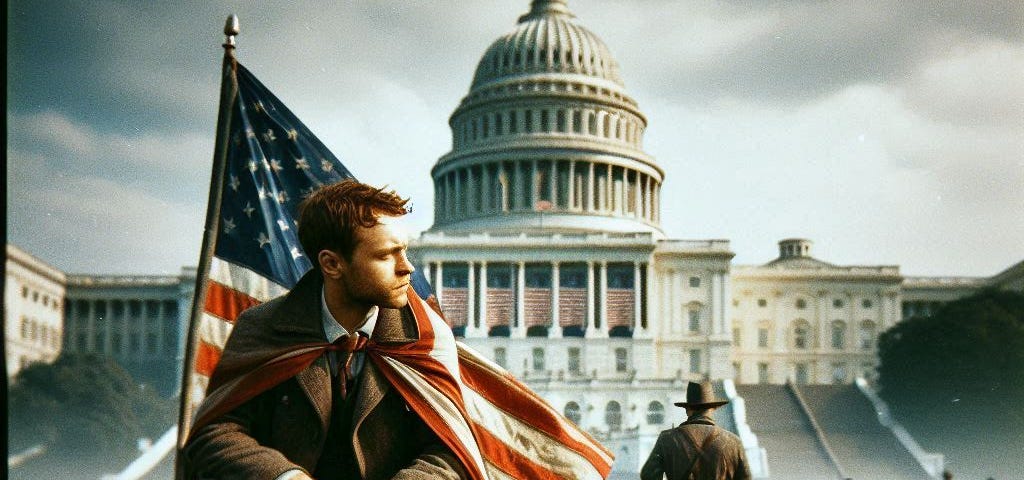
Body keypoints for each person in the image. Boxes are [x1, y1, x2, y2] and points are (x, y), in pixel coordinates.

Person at [184, 180, 467, 480]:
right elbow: (214, 433)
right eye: (386, 255)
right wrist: (284, 476)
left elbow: (451, 450)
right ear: (332, 264)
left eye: (405, 251)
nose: (407, 267)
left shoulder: (425, 336)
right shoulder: (263, 326)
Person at [641, 381, 751, 480]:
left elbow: (648, 475)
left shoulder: (667, 438)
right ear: (712, 409)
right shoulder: (734, 442)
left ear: (688, 410)